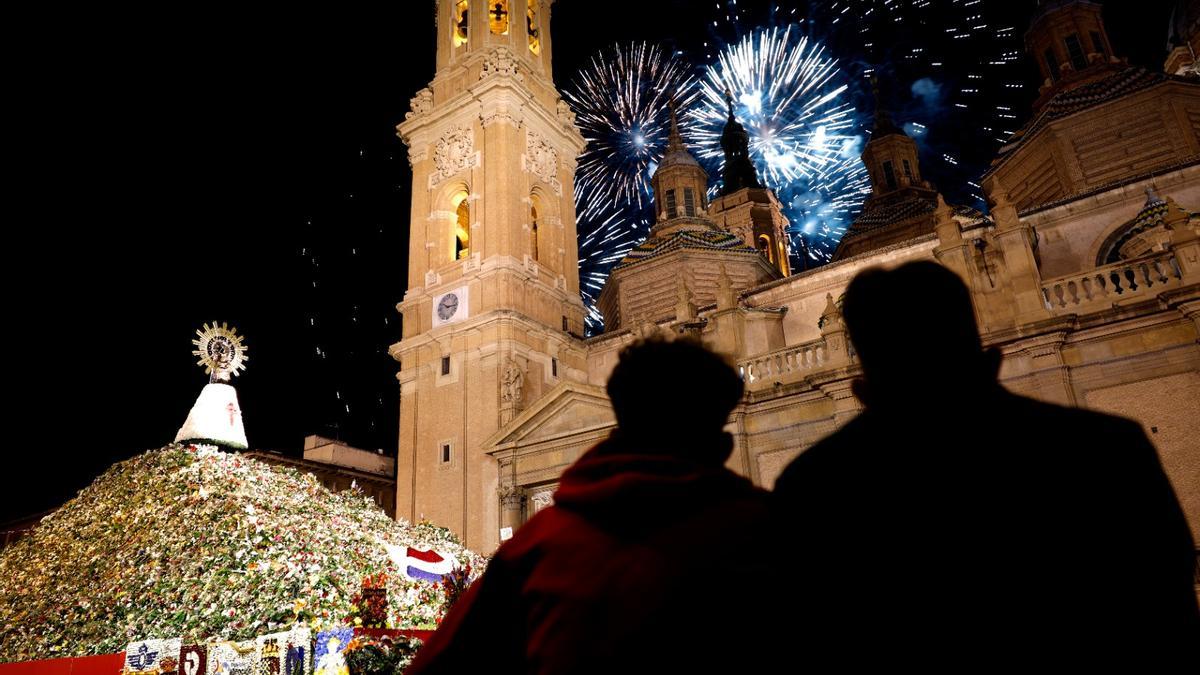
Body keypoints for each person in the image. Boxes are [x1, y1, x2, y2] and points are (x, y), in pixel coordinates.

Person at [772, 261, 1199, 667]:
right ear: (993, 359)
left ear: (860, 389)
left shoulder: (812, 485)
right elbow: (1168, 610)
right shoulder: (1106, 449)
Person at [406, 338, 777, 675]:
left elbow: (441, 662)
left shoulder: (537, 544)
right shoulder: (766, 532)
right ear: (718, 429)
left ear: (619, 413)